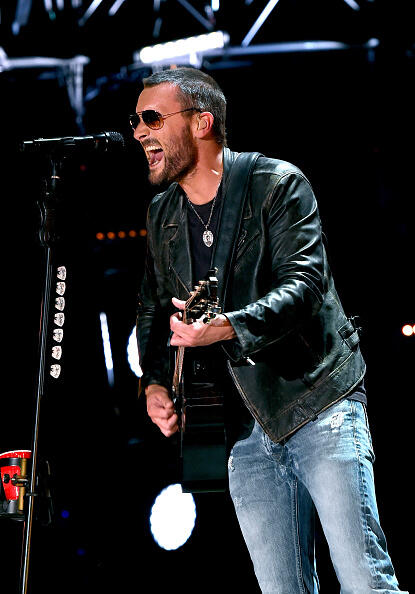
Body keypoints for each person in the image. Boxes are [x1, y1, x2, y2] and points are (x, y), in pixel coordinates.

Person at [133, 67, 405, 593]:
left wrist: (227, 328)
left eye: (152, 118)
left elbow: (304, 286)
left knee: (364, 582)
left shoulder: (275, 183)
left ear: (202, 122)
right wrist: (155, 383)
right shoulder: (161, 212)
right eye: (136, 120)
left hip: (317, 404)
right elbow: (150, 306)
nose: (140, 132)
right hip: (241, 431)